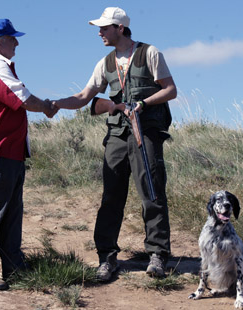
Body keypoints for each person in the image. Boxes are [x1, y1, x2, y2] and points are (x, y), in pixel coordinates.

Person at [54, 7, 177, 281]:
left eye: (105, 28)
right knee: (111, 198)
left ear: (120, 28)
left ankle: (157, 255)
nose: (100, 33)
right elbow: (85, 96)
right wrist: (57, 104)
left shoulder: (150, 53)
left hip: (146, 133)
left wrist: (144, 103)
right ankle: (106, 258)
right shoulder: (105, 63)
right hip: (117, 136)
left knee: (152, 193)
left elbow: (171, 89)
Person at [0, 18, 58, 290]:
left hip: (8, 152)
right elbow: (24, 99)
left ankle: (13, 266)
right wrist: (47, 106)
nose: (16, 42)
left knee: (9, 212)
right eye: (12, 38)